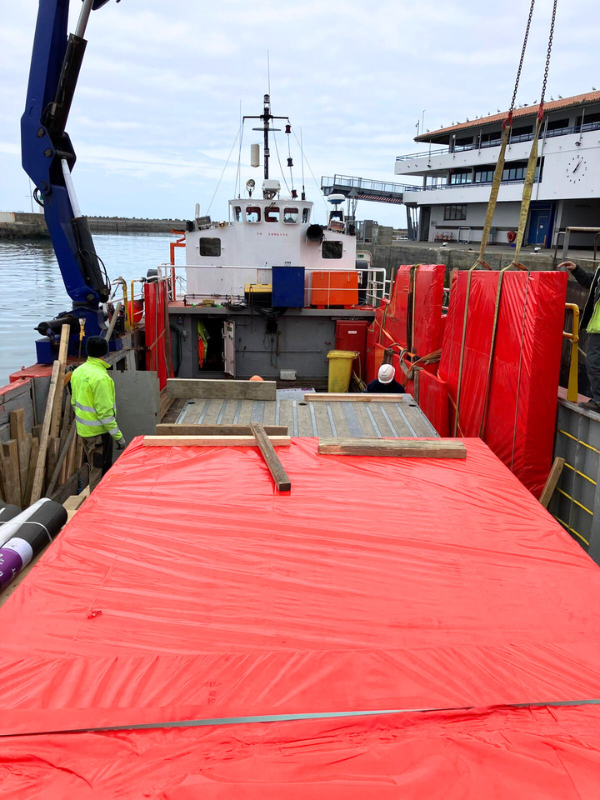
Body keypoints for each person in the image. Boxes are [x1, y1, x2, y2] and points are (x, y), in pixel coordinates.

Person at [70, 336, 126, 491]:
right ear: (105, 352)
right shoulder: (101, 378)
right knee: (99, 471)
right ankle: (96, 505)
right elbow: (105, 414)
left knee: (94, 466)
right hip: (99, 434)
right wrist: (118, 437)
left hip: (84, 431)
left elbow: (74, 402)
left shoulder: (78, 372)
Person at [561, 260, 600, 411]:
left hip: (598, 329)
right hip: (596, 327)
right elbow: (592, 283)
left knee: (594, 363)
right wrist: (577, 270)